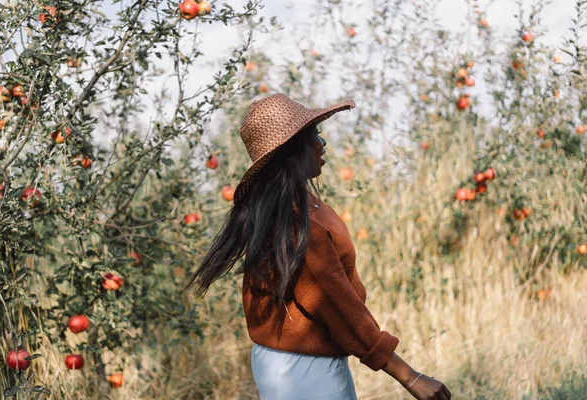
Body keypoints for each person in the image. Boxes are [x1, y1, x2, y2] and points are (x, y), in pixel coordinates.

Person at [185, 93, 452, 400]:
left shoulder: (295, 207)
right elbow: (339, 305)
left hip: (292, 362)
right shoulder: (297, 224)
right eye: (314, 136)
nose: (322, 144)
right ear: (291, 151)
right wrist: (409, 375)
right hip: (302, 370)